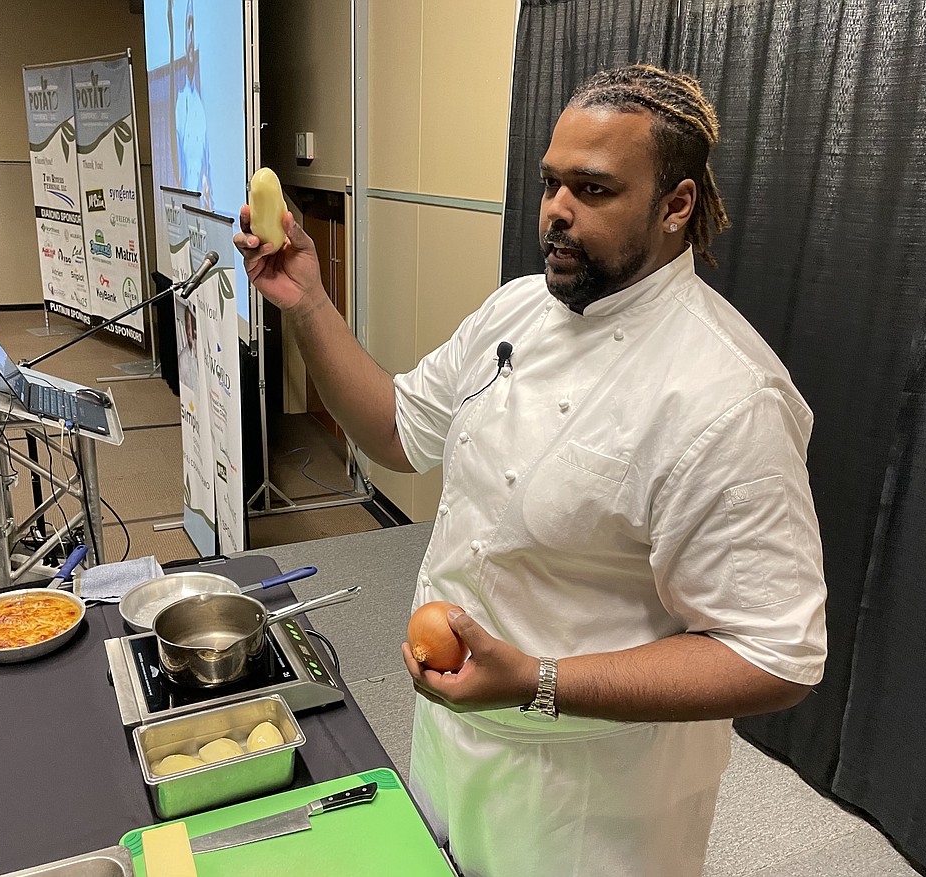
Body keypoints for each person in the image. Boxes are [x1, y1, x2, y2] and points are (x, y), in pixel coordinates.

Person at [234, 64, 826, 877]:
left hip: (589, 793)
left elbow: (774, 652)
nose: (556, 210)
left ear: (676, 205)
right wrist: (307, 302)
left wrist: (540, 682)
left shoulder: (729, 396)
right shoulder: (516, 310)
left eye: (593, 188)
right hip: (454, 732)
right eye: (551, 183)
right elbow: (401, 430)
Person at [170, 0, 212, 208]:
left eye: (193, 28)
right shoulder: (180, 101)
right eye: (188, 27)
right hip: (186, 206)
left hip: (205, 209)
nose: (190, 37)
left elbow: (207, 164)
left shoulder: (203, 104)